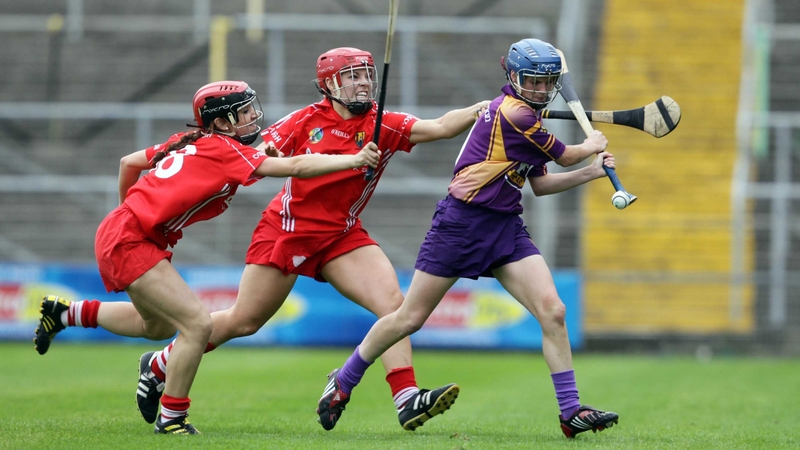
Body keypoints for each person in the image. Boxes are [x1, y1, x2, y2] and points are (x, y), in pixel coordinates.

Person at [132, 47, 491, 432]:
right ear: (329, 84)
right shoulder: (305, 120)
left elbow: (440, 127)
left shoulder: (383, 123)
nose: (363, 83)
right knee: (244, 321)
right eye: (352, 76)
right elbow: (257, 153)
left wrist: (481, 109)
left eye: (366, 74)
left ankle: (406, 398)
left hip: (341, 234)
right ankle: (160, 364)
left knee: (393, 305)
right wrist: (268, 152)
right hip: (287, 232)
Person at [33, 80, 380, 435]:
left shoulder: (189, 140)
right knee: (198, 325)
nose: (253, 117)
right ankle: (172, 418)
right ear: (221, 123)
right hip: (130, 238)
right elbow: (297, 168)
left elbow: (129, 163)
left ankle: (64, 313)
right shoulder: (226, 150)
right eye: (243, 112)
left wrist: (126, 210)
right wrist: (353, 159)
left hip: (126, 232)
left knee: (156, 327)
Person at [316, 38, 621, 438]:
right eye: (532, 81)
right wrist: (591, 146)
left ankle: (571, 412)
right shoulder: (515, 115)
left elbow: (541, 185)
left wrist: (592, 172)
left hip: (506, 227)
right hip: (462, 225)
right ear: (513, 77)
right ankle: (343, 380)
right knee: (409, 318)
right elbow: (565, 155)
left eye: (547, 83)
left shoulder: (529, 121)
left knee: (553, 311)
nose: (540, 90)